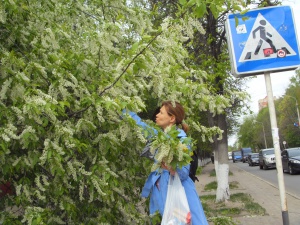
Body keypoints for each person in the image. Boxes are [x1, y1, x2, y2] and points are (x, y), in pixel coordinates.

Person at [124, 101, 208, 225]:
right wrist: (122, 110)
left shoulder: (181, 140)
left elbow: (184, 173)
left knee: (180, 222)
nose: (157, 115)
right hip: (161, 192)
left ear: (172, 118)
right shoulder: (160, 137)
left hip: (177, 194)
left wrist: (170, 166)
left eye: (161, 113)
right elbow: (141, 126)